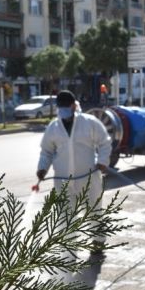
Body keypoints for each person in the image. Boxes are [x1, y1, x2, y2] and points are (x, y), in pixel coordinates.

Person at [36, 90, 112, 251]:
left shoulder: (89, 122)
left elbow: (104, 142)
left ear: (73, 106)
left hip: (89, 177)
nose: (63, 110)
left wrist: (103, 161)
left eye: (66, 106)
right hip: (63, 180)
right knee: (65, 214)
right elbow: (47, 151)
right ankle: (69, 246)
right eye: (60, 107)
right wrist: (42, 168)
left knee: (93, 210)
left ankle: (98, 242)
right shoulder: (54, 127)